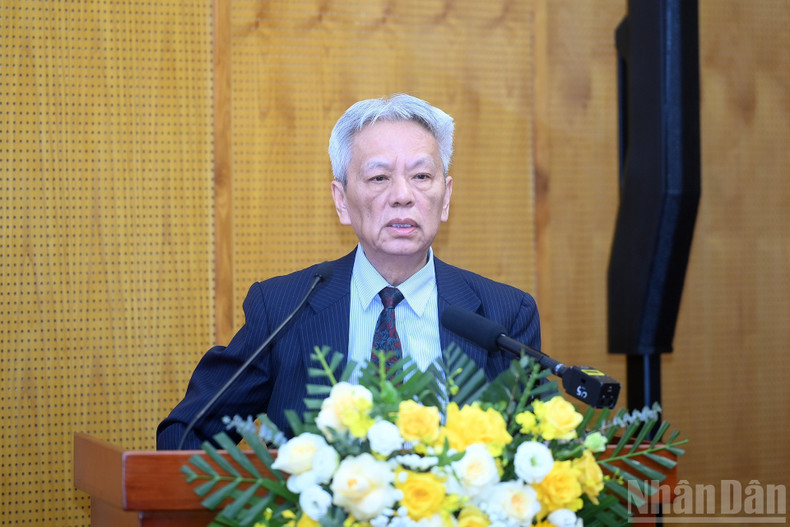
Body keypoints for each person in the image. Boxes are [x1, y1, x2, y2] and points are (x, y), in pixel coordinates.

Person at [156, 94, 541, 450]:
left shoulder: (505, 314)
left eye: (422, 176)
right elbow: (185, 433)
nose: (403, 195)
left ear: (446, 197)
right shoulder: (283, 309)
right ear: (341, 201)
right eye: (379, 178)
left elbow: (536, 452)